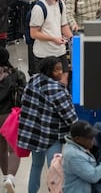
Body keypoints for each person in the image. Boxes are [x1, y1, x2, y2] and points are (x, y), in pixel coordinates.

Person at [18, 56, 77, 193]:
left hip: (34, 132)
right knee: (54, 169)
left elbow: (24, 101)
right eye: (56, 70)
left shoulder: (33, 80)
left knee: (36, 166)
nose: (61, 72)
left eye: (61, 69)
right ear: (48, 71)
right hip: (52, 135)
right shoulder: (56, 89)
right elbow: (70, 116)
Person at [62, 120, 101, 192]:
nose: (93, 140)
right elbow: (93, 176)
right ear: (77, 139)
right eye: (89, 138)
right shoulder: (73, 155)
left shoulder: (80, 146)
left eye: (93, 137)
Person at [0, 46, 25, 192]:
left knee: (1, 149)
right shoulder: (16, 74)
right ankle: (11, 177)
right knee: (13, 149)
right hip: (11, 116)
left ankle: (4, 177)